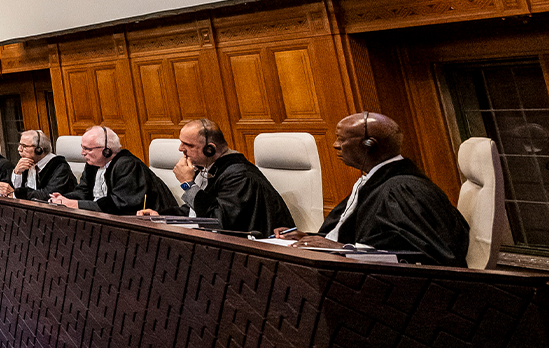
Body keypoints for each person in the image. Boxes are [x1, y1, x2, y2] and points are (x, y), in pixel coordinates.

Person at [282, 113, 471, 266]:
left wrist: (342, 249)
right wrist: (309, 238)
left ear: (369, 144)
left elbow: (424, 255)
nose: (335, 145)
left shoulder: (402, 190)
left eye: (341, 139)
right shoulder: (376, 181)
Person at [135, 118, 295, 234]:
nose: (180, 149)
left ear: (209, 149)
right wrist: (162, 217)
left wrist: (188, 185)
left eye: (188, 145)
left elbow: (218, 222)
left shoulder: (240, 176)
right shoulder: (209, 168)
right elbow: (195, 212)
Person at [51, 126, 176, 215]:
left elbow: (119, 204)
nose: (82, 153)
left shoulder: (127, 165)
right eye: (82, 148)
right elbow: (83, 191)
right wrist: (62, 199)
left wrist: (73, 204)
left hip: (149, 222)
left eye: (88, 149)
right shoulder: (93, 165)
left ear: (107, 150)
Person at [0, 130, 79, 202]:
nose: (19, 149)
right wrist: (17, 172)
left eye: (24, 146)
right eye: (19, 145)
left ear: (39, 150)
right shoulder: (27, 163)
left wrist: (17, 194)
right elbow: (14, 188)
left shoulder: (59, 166)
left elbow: (48, 195)